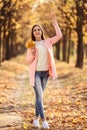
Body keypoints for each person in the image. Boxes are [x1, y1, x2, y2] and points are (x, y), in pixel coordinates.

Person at [26, 14, 62, 129]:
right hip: (36, 73)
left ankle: (35, 119)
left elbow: (59, 35)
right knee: (39, 96)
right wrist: (32, 54)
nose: (37, 31)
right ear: (33, 33)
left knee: (39, 97)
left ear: (41, 31)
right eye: (34, 30)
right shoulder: (31, 44)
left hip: (45, 73)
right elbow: (28, 61)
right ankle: (44, 120)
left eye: (38, 29)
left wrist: (54, 23)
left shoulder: (48, 42)